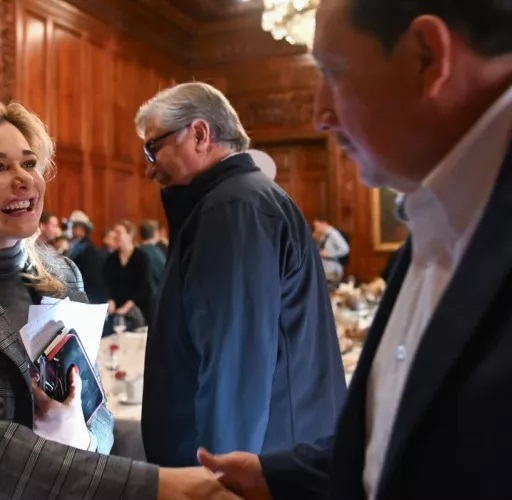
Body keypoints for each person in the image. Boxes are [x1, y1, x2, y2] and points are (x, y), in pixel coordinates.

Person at [0, 98, 239, 500]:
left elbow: (99, 413)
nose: (24, 179)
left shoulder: (61, 273)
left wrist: (78, 434)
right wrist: (158, 486)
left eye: (29, 163)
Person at [197, 0, 512, 499]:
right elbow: (413, 440)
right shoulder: (438, 211)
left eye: (333, 73)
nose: (321, 114)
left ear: (427, 57)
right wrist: (274, 477)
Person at [134, 81, 346, 467]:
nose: (149, 168)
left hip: (257, 462)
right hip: (277, 449)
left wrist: (219, 477)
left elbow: (234, 367)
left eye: (153, 148)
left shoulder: (232, 209)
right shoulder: (242, 199)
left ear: (199, 134)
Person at [66, 210, 109, 304]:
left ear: (83, 229)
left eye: (75, 226)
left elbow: (89, 275)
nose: (72, 229)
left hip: (86, 294)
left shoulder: (88, 249)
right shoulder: (74, 245)